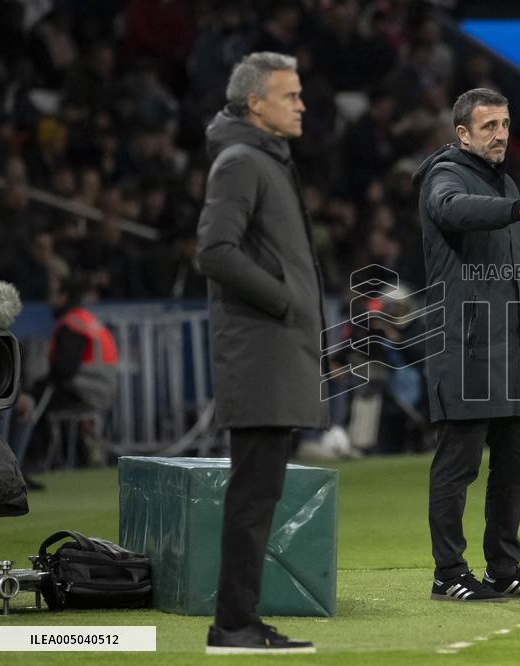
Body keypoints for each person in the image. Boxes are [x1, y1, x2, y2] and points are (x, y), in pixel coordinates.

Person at [413, 88, 520, 602]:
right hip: (467, 347)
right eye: (489, 127)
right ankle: (448, 573)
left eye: (505, 124)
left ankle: (503, 569)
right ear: (463, 133)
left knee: (517, 465)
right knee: (457, 465)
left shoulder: (501, 180)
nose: (501, 134)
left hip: (515, 348)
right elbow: (454, 210)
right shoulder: (444, 176)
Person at [196, 52, 325, 654]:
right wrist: (282, 300)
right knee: (253, 496)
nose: (302, 105)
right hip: (260, 350)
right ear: (256, 104)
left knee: (259, 494)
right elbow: (215, 251)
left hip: (273, 349)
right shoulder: (241, 160)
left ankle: (238, 619)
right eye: (290, 96)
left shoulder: (261, 157)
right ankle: (233, 624)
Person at [7, 273, 118, 482]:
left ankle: (29, 462)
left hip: (82, 389)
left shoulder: (71, 325)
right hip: (100, 389)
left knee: (30, 402)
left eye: (54, 295)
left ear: (64, 297)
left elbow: (63, 370)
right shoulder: (84, 320)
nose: (50, 301)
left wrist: (37, 384)